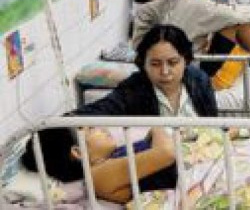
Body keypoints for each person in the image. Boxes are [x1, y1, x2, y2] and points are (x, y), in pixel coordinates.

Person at [78, 24, 217, 117]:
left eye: (172, 63)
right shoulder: (134, 89)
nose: (165, 71)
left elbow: (213, 124)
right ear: (144, 64)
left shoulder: (199, 81)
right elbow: (100, 110)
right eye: (155, 64)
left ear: (185, 60)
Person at [22, 126, 175, 204]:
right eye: (91, 129)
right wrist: (158, 127)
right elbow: (168, 153)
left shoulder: (113, 156)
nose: (102, 129)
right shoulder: (98, 174)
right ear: (78, 152)